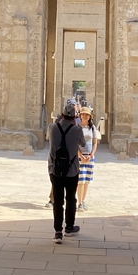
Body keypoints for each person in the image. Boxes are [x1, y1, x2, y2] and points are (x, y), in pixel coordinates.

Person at [48, 100, 86, 243]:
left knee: (58, 199)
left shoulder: (53, 127)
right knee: (70, 198)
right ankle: (69, 226)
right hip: (71, 169)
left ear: (62, 114)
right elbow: (83, 144)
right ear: (74, 117)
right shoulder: (77, 130)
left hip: (55, 168)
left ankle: (58, 231)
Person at [77, 105, 100, 210]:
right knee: (80, 180)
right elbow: (74, 144)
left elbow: (95, 143)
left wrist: (91, 155)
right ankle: (79, 202)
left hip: (90, 157)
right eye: (83, 114)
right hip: (80, 157)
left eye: (87, 115)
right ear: (80, 116)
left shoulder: (92, 128)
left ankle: (83, 200)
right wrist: (80, 155)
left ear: (90, 117)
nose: (85, 116)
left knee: (87, 180)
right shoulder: (77, 128)